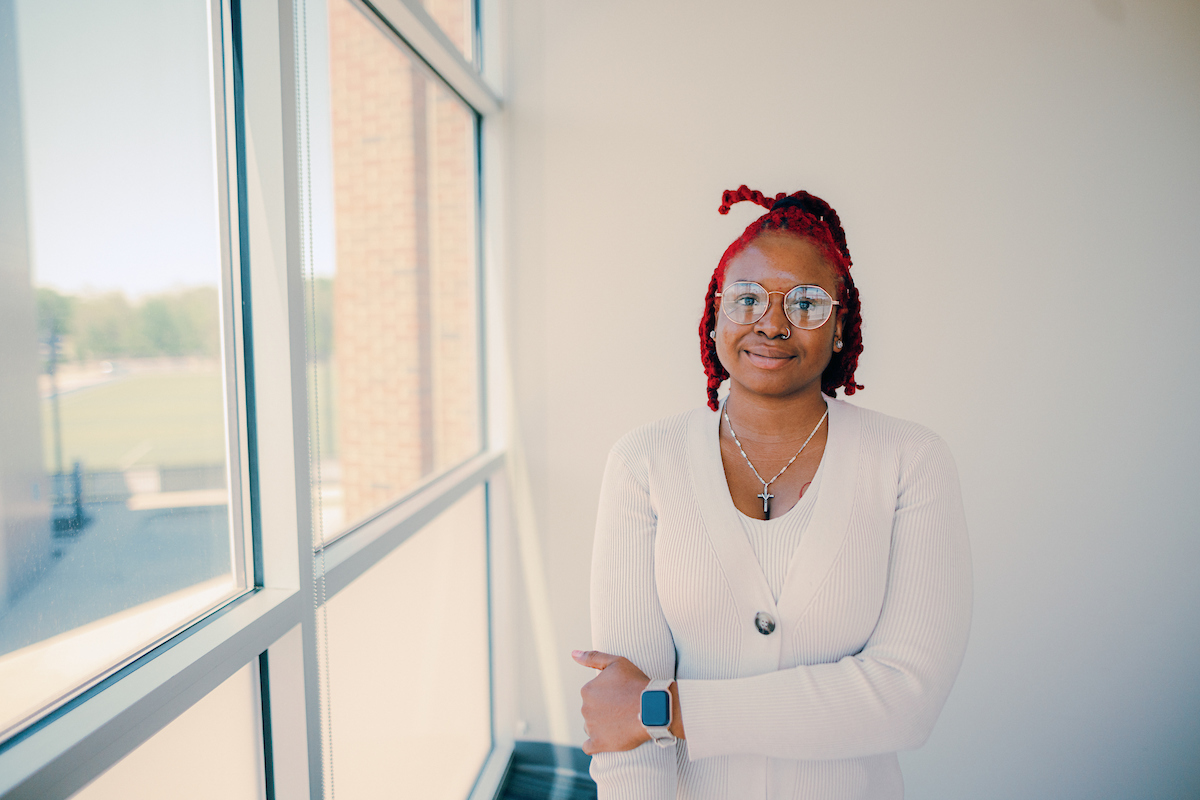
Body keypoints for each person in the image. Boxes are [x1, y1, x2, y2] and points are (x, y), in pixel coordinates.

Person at [571, 186, 972, 800]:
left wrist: (669, 712)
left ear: (840, 327)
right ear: (715, 315)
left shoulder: (910, 462)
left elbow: (904, 698)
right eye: (747, 298)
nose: (773, 323)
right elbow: (620, 722)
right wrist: (641, 710)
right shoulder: (644, 462)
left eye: (807, 303)